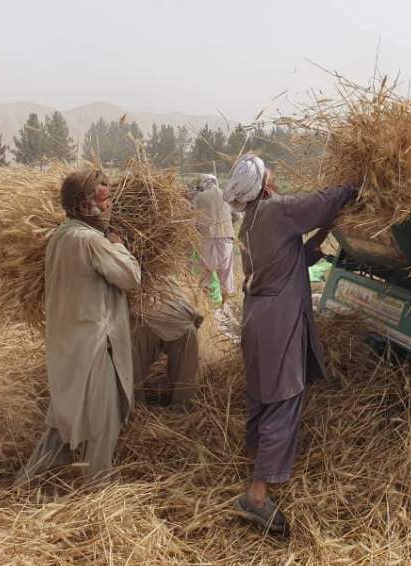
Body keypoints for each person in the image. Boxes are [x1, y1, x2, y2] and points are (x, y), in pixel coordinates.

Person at [223, 154, 355, 534]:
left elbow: (286, 259)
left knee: (262, 397)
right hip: (278, 324)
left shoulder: (249, 222)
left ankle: (255, 459)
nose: (274, 174)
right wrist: (355, 185)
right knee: (284, 400)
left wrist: (318, 237)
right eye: (269, 173)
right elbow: (321, 201)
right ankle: (257, 496)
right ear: (264, 185)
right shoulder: (276, 210)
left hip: (257, 320)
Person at [14, 169, 140, 486]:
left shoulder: (60, 236)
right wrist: (119, 245)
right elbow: (130, 277)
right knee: (103, 423)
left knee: (61, 423)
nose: (110, 205)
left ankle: (23, 486)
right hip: (96, 346)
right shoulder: (91, 241)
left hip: (69, 345)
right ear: (85, 207)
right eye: (104, 199)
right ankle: (97, 493)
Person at [132, 279, 203, 407]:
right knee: (185, 375)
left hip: (147, 320)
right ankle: (182, 408)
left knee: (134, 367)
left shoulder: (139, 276)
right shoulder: (171, 278)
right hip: (183, 325)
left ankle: (136, 406)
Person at [193, 174, 237, 303]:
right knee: (226, 275)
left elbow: (192, 216)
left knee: (206, 272)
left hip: (207, 238)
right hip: (226, 239)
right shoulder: (226, 196)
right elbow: (237, 215)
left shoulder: (199, 197)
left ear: (203, 183)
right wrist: (227, 224)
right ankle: (224, 306)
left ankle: (206, 307)